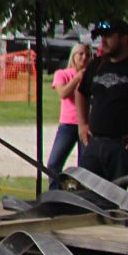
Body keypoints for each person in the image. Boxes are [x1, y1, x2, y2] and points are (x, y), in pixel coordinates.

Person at [77, 18, 128, 180]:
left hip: (124, 148)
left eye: (108, 36)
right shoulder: (96, 65)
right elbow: (81, 92)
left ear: (124, 39)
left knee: (121, 199)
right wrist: (82, 124)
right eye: (101, 36)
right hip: (94, 145)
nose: (103, 41)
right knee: (85, 196)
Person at [46, 43, 87, 179]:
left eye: (87, 54)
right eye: (80, 54)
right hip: (68, 124)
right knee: (53, 164)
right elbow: (63, 93)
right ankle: (55, 193)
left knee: (85, 167)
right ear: (73, 56)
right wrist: (76, 78)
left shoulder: (92, 76)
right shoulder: (61, 74)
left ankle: (82, 196)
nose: (84, 57)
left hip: (86, 125)